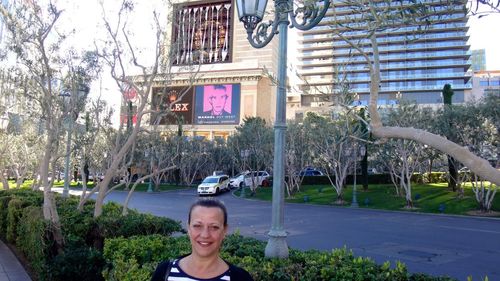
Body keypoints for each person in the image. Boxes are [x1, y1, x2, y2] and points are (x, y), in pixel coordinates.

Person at [151, 198, 253, 281]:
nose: (205, 235)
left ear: (224, 231)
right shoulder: (164, 271)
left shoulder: (241, 278)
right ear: (189, 228)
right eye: (197, 226)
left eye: (214, 227)